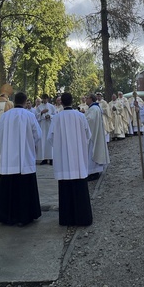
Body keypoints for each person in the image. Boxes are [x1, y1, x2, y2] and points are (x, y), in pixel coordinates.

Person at [0, 91, 42, 227]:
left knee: (8, 188)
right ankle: (25, 216)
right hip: (24, 159)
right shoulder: (30, 116)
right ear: (26, 101)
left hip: (9, 159)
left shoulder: (5, 116)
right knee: (25, 188)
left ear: (14, 101)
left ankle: (7, 216)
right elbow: (37, 135)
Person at [47, 92, 94, 226]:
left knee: (65, 189)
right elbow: (88, 135)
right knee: (79, 188)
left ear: (61, 102)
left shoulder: (56, 118)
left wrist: (59, 147)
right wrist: (80, 145)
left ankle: (67, 219)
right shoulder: (80, 116)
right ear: (72, 101)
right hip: (78, 159)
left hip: (63, 161)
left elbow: (50, 137)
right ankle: (83, 218)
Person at [85, 93, 110, 181]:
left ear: (91, 99)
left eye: (87, 98)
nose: (86, 100)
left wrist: (83, 120)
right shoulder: (93, 108)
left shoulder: (94, 109)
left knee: (93, 152)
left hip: (93, 135)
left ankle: (93, 172)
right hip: (94, 133)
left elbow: (90, 120)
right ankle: (93, 171)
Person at [35, 95, 56, 164]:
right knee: (43, 141)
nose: (45, 100)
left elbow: (55, 115)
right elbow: (36, 116)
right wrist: (42, 112)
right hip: (43, 125)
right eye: (43, 99)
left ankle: (51, 158)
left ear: (47, 99)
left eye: (46, 99)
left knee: (49, 140)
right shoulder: (39, 107)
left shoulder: (51, 106)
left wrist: (50, 116)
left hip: (49, 124)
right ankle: (44, 158)